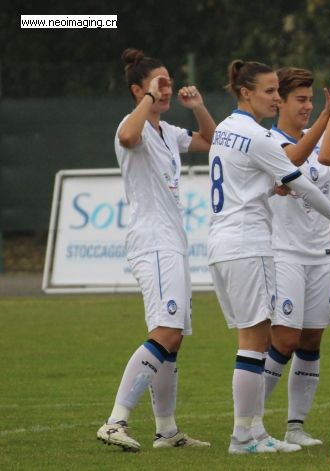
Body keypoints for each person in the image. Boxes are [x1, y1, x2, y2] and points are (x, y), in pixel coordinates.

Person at [207, 61, 330, 454]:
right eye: (270, 91)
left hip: (224, 242)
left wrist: (271, 190)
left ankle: (256, 431)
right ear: (245, 92)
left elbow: (247, 182)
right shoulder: (257, 136)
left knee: (258, 340)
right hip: (250, 244)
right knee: (255, 342)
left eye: (278, 91)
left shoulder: (225, 128)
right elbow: (305, 187)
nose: (276, 98)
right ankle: (244, 436)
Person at [97, 48, 214, 452]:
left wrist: (197, 107)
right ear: (138, 89)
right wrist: (148, 97)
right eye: (157, 84)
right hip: (153, 242)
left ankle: (166, 431)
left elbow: (210, 141)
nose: (165, 89)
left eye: (167, 82)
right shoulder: (133, 126)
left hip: (173, 243)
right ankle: (115, 422)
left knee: (174, 336)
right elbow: (128, 137)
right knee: (164, 331)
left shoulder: (168, 132)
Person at [261, 67, 330, 448]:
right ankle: (250, 423)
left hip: (321, 255)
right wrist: (329, 115)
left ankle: (295, 426)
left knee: (311, 340)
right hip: (283, 254)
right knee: (284, 339)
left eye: (310, 100)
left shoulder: (324, 137)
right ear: (280, 103)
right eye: (299, 100)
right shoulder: (269, 140)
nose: (306, 106)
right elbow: (291, 161)